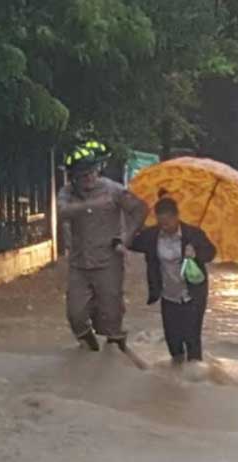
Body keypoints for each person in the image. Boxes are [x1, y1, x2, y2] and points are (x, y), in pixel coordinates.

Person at [58, 140, 148, 353]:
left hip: (109, 261)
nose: (88, 178)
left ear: (98, 169)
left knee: (112, 314)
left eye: (91, 172)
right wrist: (88, 205)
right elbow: (61, 212)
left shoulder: (114, 190)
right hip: (79, 263)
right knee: (75, 313)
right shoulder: (68, 193)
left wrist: (125, 239)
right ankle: (88, 348)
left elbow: (140, 210)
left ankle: (114, 358)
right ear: (74, 177)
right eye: (82, 175)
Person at [131, 196, 216, 365]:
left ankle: (194, 375)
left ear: (176, 217)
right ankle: (175, 376)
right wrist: (137, 223)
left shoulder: (193, 234)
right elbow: (132, 242)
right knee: (173, 339)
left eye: (168, 222)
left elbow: (211, 253)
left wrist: (196, 253)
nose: (165, 227)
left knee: (192, 337)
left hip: (192, 294)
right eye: (161, 223)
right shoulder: (152, 235)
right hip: (168, 294)